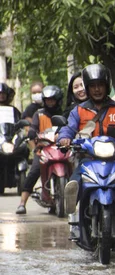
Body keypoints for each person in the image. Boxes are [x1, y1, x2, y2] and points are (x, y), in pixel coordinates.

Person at [57, 63, 115, 228]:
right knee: (79, 172)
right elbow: (69, 128)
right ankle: (73, 197)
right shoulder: (78, 111)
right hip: (88, 157)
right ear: (87, 88)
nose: (97, 89)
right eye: (92, 86)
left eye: (100, 85)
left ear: (107, 86)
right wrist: (65, 138)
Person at [15, 86, 64, 214]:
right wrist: (31, 132)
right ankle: (22, 203)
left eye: (52, 100)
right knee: (34, 170)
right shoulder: (39, 114)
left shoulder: (64, 114)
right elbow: (33, 127)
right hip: (43, 149)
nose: (50, 102)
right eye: (48, 100)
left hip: (61, 148)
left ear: (58, 100)